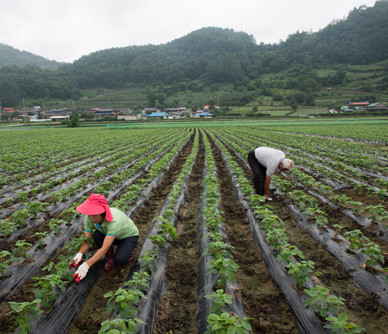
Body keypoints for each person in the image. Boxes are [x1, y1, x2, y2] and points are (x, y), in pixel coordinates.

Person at [70, 194, 139, 282]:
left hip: (128, 236)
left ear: (103, 213)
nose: (91, 218)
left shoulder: (114, 221)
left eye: (94, 215)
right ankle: (110, 258)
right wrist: (79, 254)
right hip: (110, 235)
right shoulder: (89, 218)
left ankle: (129, 249)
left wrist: (86, 265)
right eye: (89, 215)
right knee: (96, 236)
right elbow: (87, 240)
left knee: (120, 259)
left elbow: (104, 248)